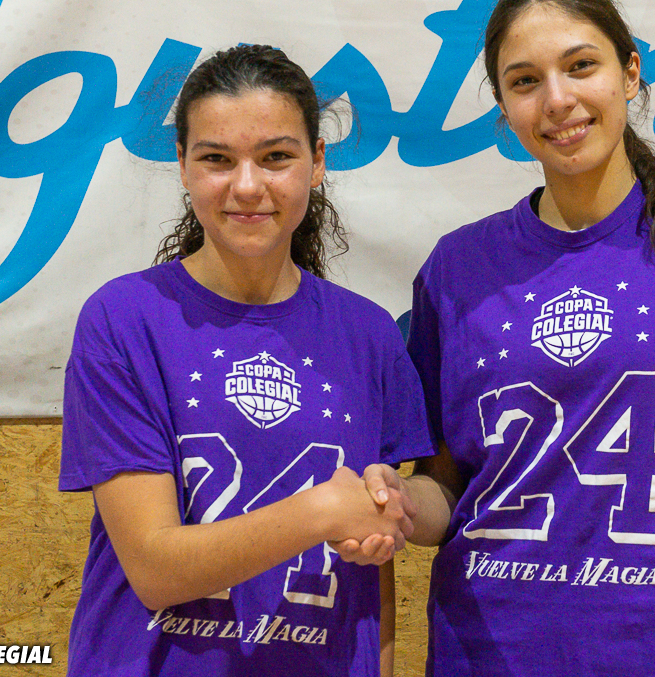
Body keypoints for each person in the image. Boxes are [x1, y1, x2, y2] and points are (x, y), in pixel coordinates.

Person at [340, 0, 655, 676]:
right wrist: (389, 506)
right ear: (504, 108)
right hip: (495, 652)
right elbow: (446, 485)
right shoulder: (456, 269)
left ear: (630, 72)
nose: (558, 99)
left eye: (581, 66)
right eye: (525, 80)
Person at [59, 45, 434, 677]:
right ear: (181, 165)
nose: (247, 185)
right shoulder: (123, 321)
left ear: (316, 163)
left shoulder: (369, 334)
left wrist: (374, 514)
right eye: (216, 159)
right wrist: (319, 511)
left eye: (276, 157)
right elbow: (155, 569)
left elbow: (373, 578)